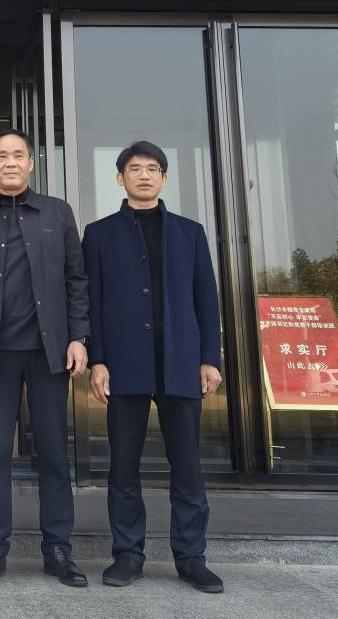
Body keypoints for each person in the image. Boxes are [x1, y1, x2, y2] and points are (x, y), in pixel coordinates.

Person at [82, 140, 225, 594]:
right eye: (134, 168)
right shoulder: (98, 234)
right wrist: (98, 359)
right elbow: (92, 303)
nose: (143, 175)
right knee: (123, 466)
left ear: (164, 178)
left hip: (180, 362)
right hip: (124, 364)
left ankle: (191, 558)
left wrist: (210, 358)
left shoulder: (190, 233)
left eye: (152, 168)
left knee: (187, 466)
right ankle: (128, 555)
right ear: (119, 178)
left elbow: (206, 301)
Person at [0, 128, 90, 588]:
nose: (10, 162)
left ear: (31, 163)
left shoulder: (57, 212)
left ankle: (58, 549)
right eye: (2, 156)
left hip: (50, 352)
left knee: (53, 452)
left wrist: (79, 337)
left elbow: (76, 281)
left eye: (18, 155)